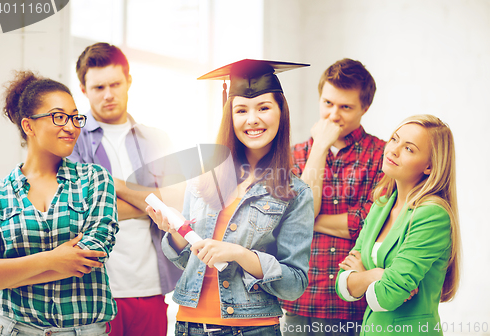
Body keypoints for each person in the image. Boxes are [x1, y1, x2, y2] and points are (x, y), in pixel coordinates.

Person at [146, 59, 315, 336]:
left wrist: (240, 254)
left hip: (251, 329)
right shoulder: (204, 178)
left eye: (263, 108)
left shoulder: (296, 193)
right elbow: (189, 260)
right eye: (241, 110)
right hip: (189, 326)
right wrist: (175, 232)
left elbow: (294, 284)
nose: (252, 119)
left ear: (281, 113)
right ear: (230, 116)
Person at [0, 71, 118, 335]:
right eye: (59, 117)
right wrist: (53, 259)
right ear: (29, 126)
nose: (71, 127)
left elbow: (90, 257)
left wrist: (9, 274)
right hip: (11, 328)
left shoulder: (95, 179)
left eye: (75, 117)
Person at [68, 42, 183, 336]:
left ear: (129, 81)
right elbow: (79, 212)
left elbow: (178, 201)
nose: (108, 94)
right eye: (98, 87)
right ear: (83, 89)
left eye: (115, 84)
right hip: (95, 291)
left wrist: (114, 185)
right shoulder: (71, 141)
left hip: (151, 286)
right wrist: (153, 201)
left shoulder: (157, 138)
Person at [280, 58, 386, 336]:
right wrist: (320, 149)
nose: (333, 115)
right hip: (299, 302)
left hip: (354, 304)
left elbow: (367, 224)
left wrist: (305, 220)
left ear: (365, 107)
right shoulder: (295, 155)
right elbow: (291, 222)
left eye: (345, 107)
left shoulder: (384, 156)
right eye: (327, 103)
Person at [335, 114, 460, 335]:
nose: (393, 149)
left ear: (429, 166)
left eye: (409, 148)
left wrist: (363, 276)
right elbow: (342, 284)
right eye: (394, 139)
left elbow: (388, 296)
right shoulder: (381, 205)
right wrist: (378, 275)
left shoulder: (432, 214)